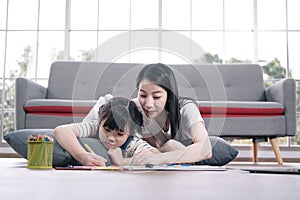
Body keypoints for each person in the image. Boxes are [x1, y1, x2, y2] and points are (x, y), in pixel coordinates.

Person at [130, 63, 212, 165]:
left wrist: (160, 157)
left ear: (169, 95)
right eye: (142, 95)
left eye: (156, 97)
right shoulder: (135, 107)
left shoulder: (186, 108)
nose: (148, 104)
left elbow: (205, 150)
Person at [54, 96, 159, 166]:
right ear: (100, 123)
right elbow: (61, 130)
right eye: (107, 130)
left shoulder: (131, 142)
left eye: (120, 134)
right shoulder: (95, 127)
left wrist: (123, 161)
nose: (111, 138)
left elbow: (157, 156)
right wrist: (82, 156)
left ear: (129, 133)